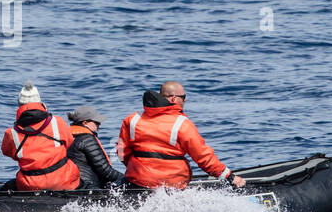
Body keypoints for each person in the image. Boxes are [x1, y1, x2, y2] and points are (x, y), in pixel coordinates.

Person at [116, 81, 247, 189]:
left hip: (137, 182)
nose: (185, 101)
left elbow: (122, 153)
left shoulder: (132, 119)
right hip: (171, 187)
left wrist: (141, 169)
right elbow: (203, 157)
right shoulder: (182, 124)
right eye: (184, 98)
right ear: (174, 98)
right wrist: (229, 176)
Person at [0, 82, 81, 191]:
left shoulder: (11, 133)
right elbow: (70, 144)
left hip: (30, 186)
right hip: (64, 181)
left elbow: (8, 152)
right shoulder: (57, 122)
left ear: (19, 105)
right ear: (40, 102)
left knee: (6, 188)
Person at [66, 105, 121, 188]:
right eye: (96, 122)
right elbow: (105, 171)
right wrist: (127, 179)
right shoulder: (86, 139)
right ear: (85, 123)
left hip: (75, 185)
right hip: (89, 187)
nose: (99, 124)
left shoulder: (68, 137)